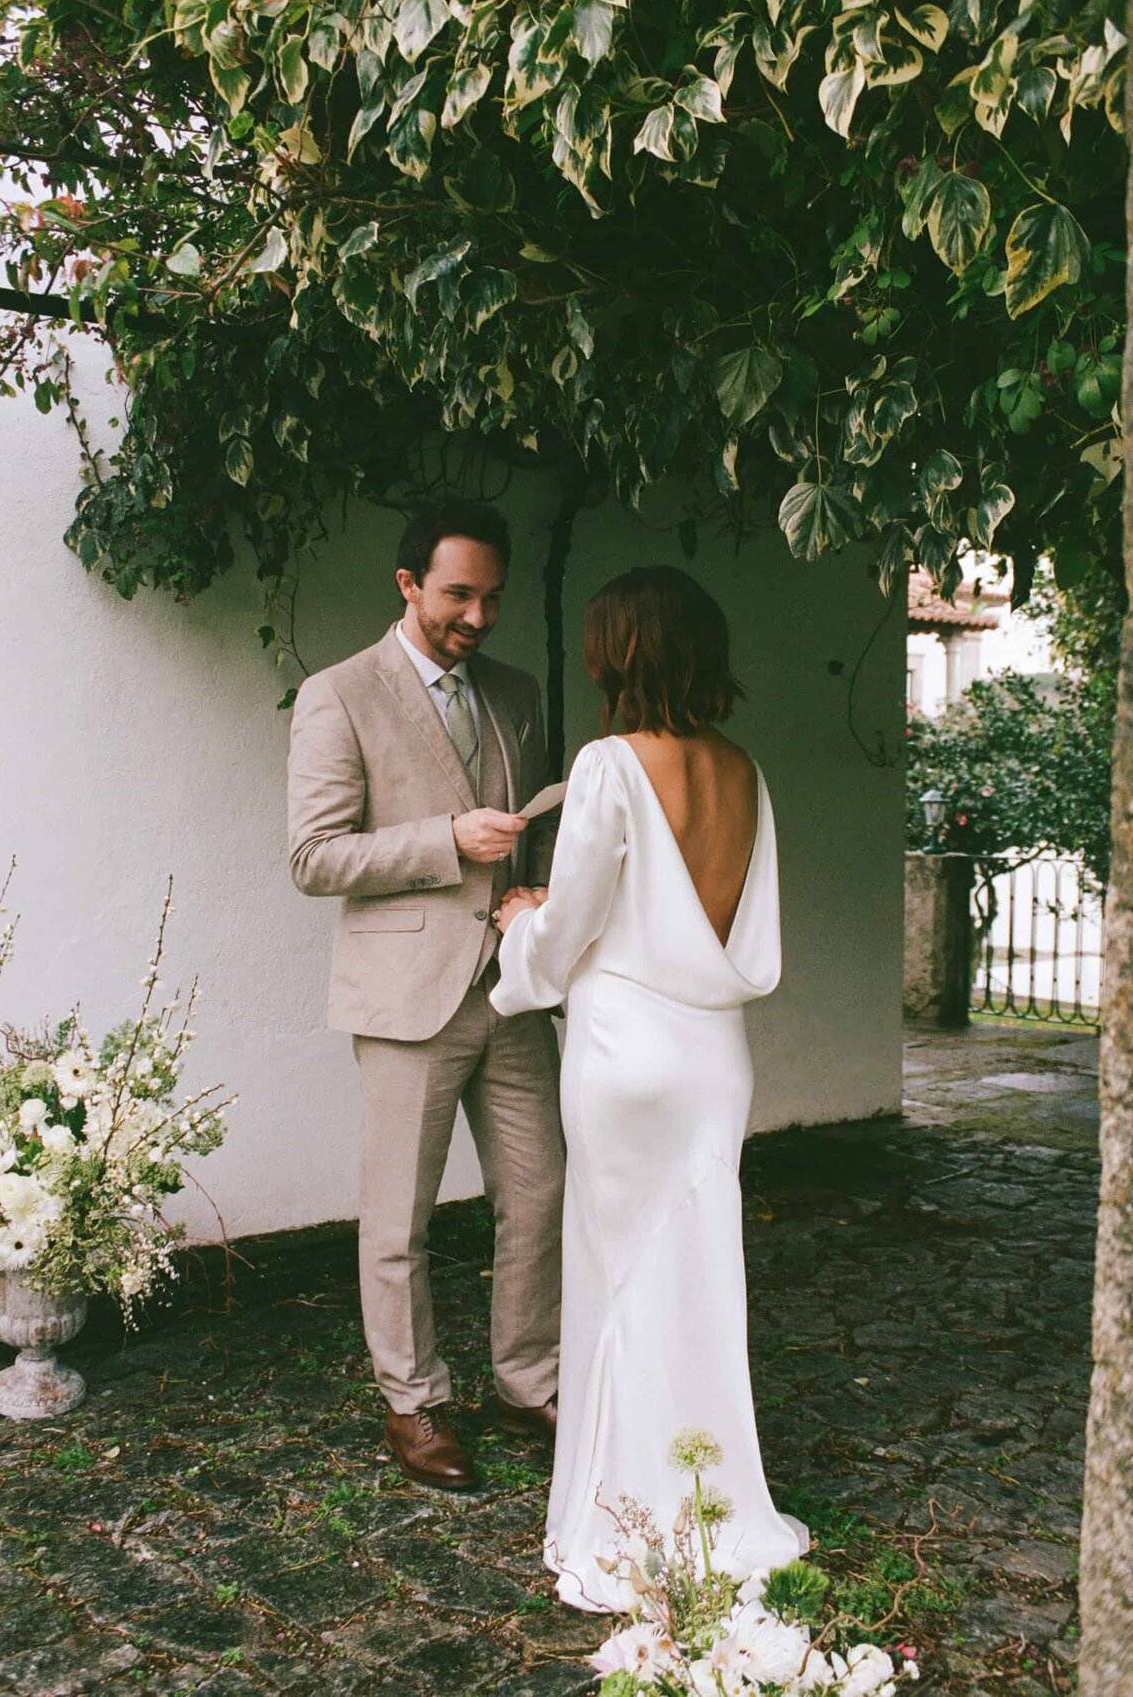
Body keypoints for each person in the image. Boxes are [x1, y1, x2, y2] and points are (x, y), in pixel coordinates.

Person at [491, 564, 809, 1611]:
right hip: (715, 1054)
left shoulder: (609, 765)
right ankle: (710, 1500)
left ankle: (622, 1512)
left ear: (619, 653)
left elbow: (573, 923)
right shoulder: (745, 771)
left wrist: (518, 929)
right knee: (700, 1274)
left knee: (615, 1277)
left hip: (627, 1054)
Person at [287, 500, 563, 1492]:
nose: (478, 616)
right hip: (406, 995)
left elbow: (523, 840)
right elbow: (314, 857)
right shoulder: (338, 693)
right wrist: (446, 839)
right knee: (398, 1216)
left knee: (539, 1191)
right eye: (458, 594)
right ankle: (412, 1400)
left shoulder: (519, 693)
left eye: (492, 597)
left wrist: (534, 890)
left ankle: (529, 1378)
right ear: (408, 585)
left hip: (510, 990)